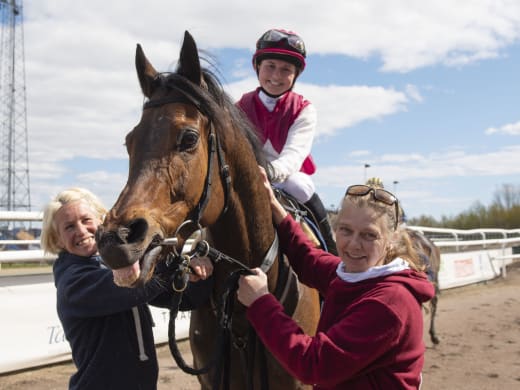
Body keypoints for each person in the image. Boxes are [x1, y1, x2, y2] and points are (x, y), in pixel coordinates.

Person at [236, 168, 435, 389]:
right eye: (346, 230)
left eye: (369, 235)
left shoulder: (389, 303)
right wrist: (276, 207)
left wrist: (260, 303)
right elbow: (308, 259)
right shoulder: (356, 275)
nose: (353, 244)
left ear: (392, 239)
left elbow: (313, 365)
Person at [40, 187, 213, 390]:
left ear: (100, 222)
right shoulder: (73, 282)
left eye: (86, 220)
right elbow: (133, 287)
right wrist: (177, 265)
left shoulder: (114, 269)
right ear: (58, 239)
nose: (80, 230)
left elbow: (185, 299)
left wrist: (201, 274)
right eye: (69, 227)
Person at [236, 28, 337, 255]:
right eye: (270, 66)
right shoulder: (239, 108)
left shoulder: (305, 109)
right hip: (247, 177)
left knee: (300, 186)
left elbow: (293, 155)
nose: (276, 75)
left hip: (286, 177)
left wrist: (267, 174)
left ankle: (333, 255)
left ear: (295, 75)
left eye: (286, 70)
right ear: (257, 67)